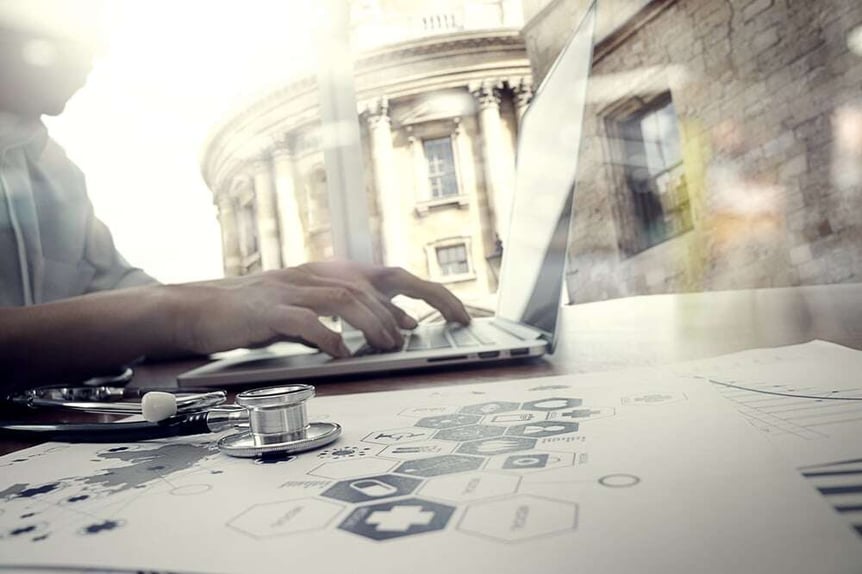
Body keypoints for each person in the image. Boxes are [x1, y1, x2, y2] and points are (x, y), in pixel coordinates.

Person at [0, 4, 471, 393]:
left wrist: (286, 287)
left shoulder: (53, 169)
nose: (98, 44)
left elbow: (128, 308)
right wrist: (180, 312)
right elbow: (152, 313)